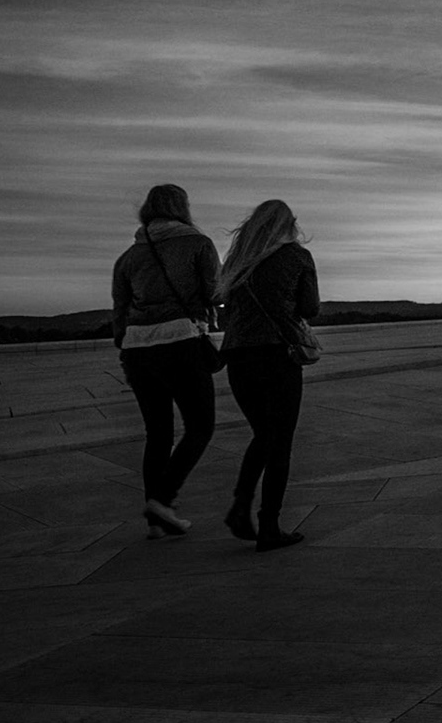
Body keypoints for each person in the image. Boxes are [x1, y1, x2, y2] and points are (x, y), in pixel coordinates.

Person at [112, 184, 221, 539]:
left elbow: (119, 315)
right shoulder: (198, 243)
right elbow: (214, 293)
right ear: (182, 208)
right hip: (180, 342)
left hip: (137, 349)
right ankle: (162, 499)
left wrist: (131, 343)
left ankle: (155, 520)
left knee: (157, 433)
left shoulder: (128, 257)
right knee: (200, 426)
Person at [218, 199, 319, 552]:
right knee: (280, 440)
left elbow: (223, 318)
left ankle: (241, 507)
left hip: (237, 357)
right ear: (289, 225)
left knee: (263, 434)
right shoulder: (297, 256)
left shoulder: (237, 262)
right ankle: (269, 525)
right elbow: (310, 308)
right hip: (278, 354)